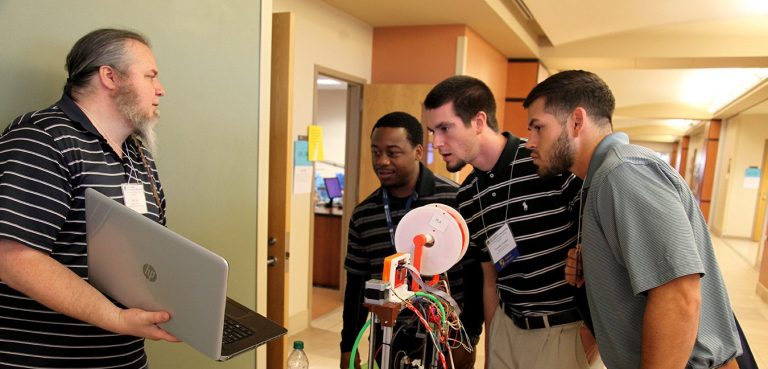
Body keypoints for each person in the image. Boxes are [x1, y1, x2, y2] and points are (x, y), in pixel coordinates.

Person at [523, 69, 742, 369]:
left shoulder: (623, 173)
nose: (529, 142)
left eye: (538, 128)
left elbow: (678, 296)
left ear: (576, 121)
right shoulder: (602, 179)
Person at [0, 28, 179, 368]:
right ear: (110, 77)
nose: (160, 89)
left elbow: (150, 252)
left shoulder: (138, 154)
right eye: (150, 76)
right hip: (43, 361)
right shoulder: (42, 140)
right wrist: (115, 318)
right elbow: (13, 259)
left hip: (123, 358)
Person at [423, 75, 600, 369]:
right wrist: (494, 349)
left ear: (479, 121)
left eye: (444, 128)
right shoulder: (467, 195)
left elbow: (600, 250)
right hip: (508, 329)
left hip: (563, 331)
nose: (436, 142)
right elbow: (490, 281)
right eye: (432, 131)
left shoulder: (545, 161)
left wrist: (594, 335)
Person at [340, 112, 477, 369]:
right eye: (375, 152)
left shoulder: (453, 202)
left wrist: (470, 336)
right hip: (388, 337)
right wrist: (349, 345)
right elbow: (357, 284)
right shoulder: (364, 214)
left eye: (393, 152)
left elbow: (473, 275)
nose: (382, 161)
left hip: (447, 339)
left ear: (417, 151)